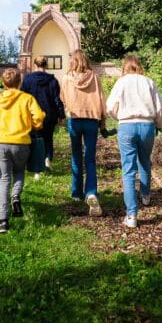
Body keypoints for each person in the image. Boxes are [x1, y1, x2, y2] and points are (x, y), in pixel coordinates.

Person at [105, 55, 162, 229]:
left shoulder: (121, 82)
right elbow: (160, 108)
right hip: (146, 125)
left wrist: (118, 118)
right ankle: (145, 196)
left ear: (124, 67)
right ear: (139, 66)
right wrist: (158, 124)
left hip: (127, 126)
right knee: (145, 161)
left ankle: (131, 215)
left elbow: (110, 106)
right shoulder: (149, 82)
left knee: (128, 169)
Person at [0, 68, 45, 233]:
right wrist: (35, 125)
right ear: (20, 82)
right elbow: (38, 117)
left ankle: (3, 221)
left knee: (4, 179)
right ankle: (15, 196)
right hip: (21, 142)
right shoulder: (27, 98)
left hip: (2, 142)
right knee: (19, 172)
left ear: (3, 83)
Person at [60, 49, 106, 216]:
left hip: (75, 119)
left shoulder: (66, 78)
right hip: (92, 120)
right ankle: (91, 192)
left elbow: (62, 98)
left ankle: (76, 192)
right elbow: (101, 99)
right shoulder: (94, 77)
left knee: (76, 155)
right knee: (90, 158)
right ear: (86, 60)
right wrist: (103, 120)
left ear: (72, 61)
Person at [20, 56, 65, 173]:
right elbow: (57, 99)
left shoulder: (27, 79)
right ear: (46, 65)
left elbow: (22, 97)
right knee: (48, 138)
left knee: (34, 139)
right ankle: (47, 159)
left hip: (32, 114)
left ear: (35, 65)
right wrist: (61, 115)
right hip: (50, 114)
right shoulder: (53, 80)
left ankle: (36, 168)